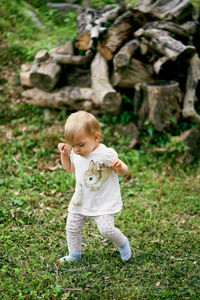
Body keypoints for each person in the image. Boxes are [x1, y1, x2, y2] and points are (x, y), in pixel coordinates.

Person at [58, 111, 131, 263]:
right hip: (81, 200)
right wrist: (65, 155)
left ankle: (123, 242)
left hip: (102, 201)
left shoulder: (105, 154)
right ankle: (75, 254)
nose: (76, 149)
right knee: (72, 226)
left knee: (106, 230)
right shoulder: (76, 153)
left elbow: (123, 172)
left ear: (95, 137)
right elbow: (70, 168)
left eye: (80, 145)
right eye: (73, 145)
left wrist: (120, 167)